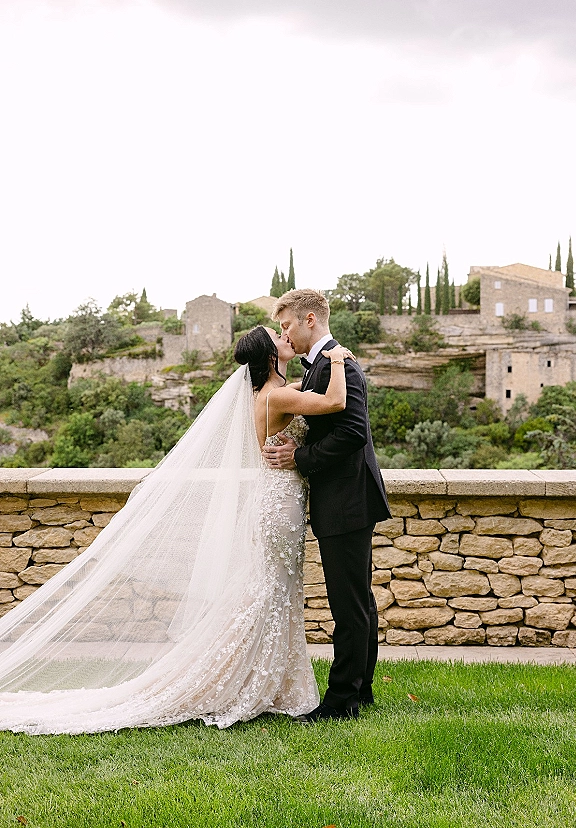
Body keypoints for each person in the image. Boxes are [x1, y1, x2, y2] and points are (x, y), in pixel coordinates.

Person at [0, 323, 352, 735]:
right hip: (279, 503)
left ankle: (271, 682)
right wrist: (339, 359)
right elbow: (335, 400)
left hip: (278, 498)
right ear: (270, 354)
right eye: (277, 335)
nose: (284, 335)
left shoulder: (271, 391)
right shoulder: (276, 394)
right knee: (268, 592)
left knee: (273, 591)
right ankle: (239, 682)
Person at [262, 289, 391, 722]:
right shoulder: (321, 365)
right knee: (358, 600)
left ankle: (341, 702)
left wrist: (299, 458)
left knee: (348, 603)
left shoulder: (341, 363)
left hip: (348, 498)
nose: (286, 334)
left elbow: (352, 431)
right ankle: (362, 688)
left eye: (288, 326)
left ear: (311, 320)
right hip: (344, 497)